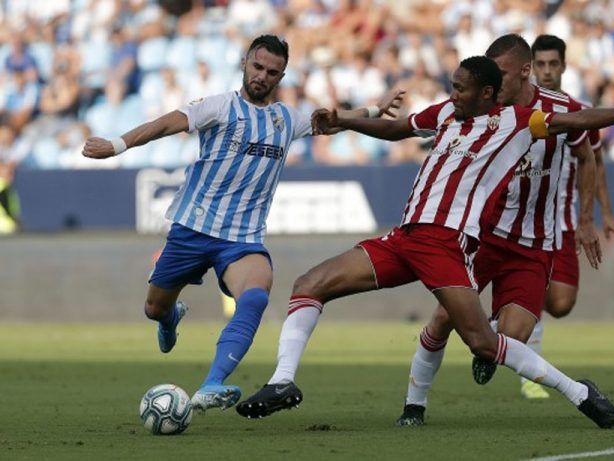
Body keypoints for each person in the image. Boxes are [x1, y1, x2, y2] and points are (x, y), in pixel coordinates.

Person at [235, 55, 614, 423]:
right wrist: (346, 122)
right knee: (309, 284)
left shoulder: (516, 122)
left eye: (460, 89)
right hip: (404, 239)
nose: (452, 94)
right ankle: (282, 382)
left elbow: (576, 120)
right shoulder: (445, 114)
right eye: (452, 86)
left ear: (487, 94)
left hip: (446, 243)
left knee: (482, 342)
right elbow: (399, 128)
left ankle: (579, 393)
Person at [82, 35, 402, 412]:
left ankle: (212, 383)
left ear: (281, 76)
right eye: (257, 67)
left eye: (272, 72)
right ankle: (169, 318)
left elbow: (331, 121)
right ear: (244, 63)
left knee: (255, 295)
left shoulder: (287, 119)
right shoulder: (218, 107)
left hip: (241, 239)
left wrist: (373, 110)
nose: (262, 76)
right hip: (193, 229)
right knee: (154, 307)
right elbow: (166, 124)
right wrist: (116, 145)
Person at [393, 34, 614, 428]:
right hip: (486, 238)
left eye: (503, 74)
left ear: (525, 71)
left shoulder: (561, 109)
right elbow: (417, 127)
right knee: (444, 318)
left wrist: (585, 220)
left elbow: (586, 153)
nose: (495, 84)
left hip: (535, 244)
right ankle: (414, 406)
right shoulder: (483, 107)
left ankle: (490, 342)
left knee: (508, 344)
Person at [507, 34, 614, 400]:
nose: (546, 71)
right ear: (531, 67)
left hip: (561, 223)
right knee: (532, 295)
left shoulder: (578, 111)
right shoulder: (515, 108)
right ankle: (527, 367)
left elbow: (596, 161)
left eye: (552, 64)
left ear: (563, 65)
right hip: (515, 223)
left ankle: (507, 320)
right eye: (539, 64)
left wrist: (603, 213)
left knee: (561, 303)